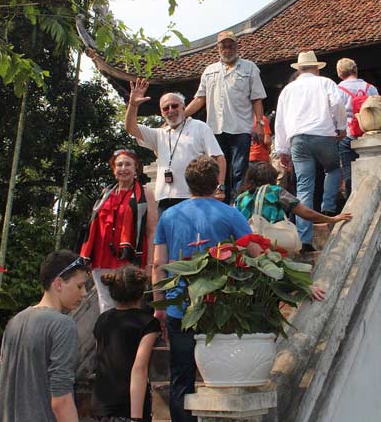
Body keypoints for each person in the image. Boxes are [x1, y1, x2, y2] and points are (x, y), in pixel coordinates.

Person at [151, 156, 254, 422]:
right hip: (219, 305)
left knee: (181, 376)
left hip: (178, 307)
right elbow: (254, 252)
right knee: (222, 374)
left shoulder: (169, 215)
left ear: (188, 183)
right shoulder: (231, 213)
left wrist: (159, 306)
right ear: (217, 181)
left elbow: (158, 264)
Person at [0, 250, 90, 422]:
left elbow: (2, 385)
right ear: (58, 284)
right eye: (79, 286)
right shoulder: (62, 325)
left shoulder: (15, 321)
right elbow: (61, 401)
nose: (84, 293)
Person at [274, 51, 347, 251]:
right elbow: (338, 103)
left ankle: (304, 239)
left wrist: (282, 149)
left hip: (297, 139)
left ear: (299, 69)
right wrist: (340, 127)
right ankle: (328, 206)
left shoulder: (288, 90)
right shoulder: (325, 83)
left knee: (304, 187)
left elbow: (280, 121)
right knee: (332, 169)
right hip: (323, 134)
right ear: (316, 68)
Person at [184, 30, 267, 203]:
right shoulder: (209, 71)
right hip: (215, 128)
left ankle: (238, 204)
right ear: (218, 48)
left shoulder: (249, 67)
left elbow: (257, 98)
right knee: (218, 170)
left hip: (241, 127)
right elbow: (200, 99)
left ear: (237, 46)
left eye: (231, 45)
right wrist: (180, 115)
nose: (227, 49)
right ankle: (219, 204)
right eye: (224, 46)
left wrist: (259, 124)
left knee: (239, 170)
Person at [125, 78, 226, 214]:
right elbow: (131, 128)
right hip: (164, 199)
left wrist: (219, 187)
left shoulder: (199, 127)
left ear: (184, 107)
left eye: (174, 106)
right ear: (162, 113)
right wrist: (133, 105)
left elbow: (219, 158)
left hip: (192, 197)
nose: (170, 110)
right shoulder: (159, 134)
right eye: (166, 108)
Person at [80, 149, 158, 313]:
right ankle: (106, 338)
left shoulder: (145, 194)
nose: (123, 168)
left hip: (129, 258)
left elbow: (152, 230)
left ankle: (129, 338)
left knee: (130, 303)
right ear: (114, 170)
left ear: (136, 168)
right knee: (106, 303)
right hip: (102, 257)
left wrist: (151, 263)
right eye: (119, 165)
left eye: (128, 164)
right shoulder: (106, 193)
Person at [91, 265, 160, 421]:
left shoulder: (103, 319)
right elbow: (139, 368)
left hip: (102, 403)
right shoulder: (148, 323)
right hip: (128, 404)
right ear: (141, 291)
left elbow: (100, 359)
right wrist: (136, 417)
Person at [235, 161, 353, 228]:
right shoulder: (275, 191)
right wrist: (332, 219)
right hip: (272, 242)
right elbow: (306, 213)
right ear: (272, 177)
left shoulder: (240, 198)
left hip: (247, 243)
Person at [335, 57, 379, 197]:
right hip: (369, 133)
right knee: (372, 170)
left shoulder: (338, 90)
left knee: (349, 172)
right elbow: (379, 108)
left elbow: (334, 114)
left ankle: (351, 200)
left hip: (347, 133)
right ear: (355, 70)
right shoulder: (370, 88)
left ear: (340, 74)